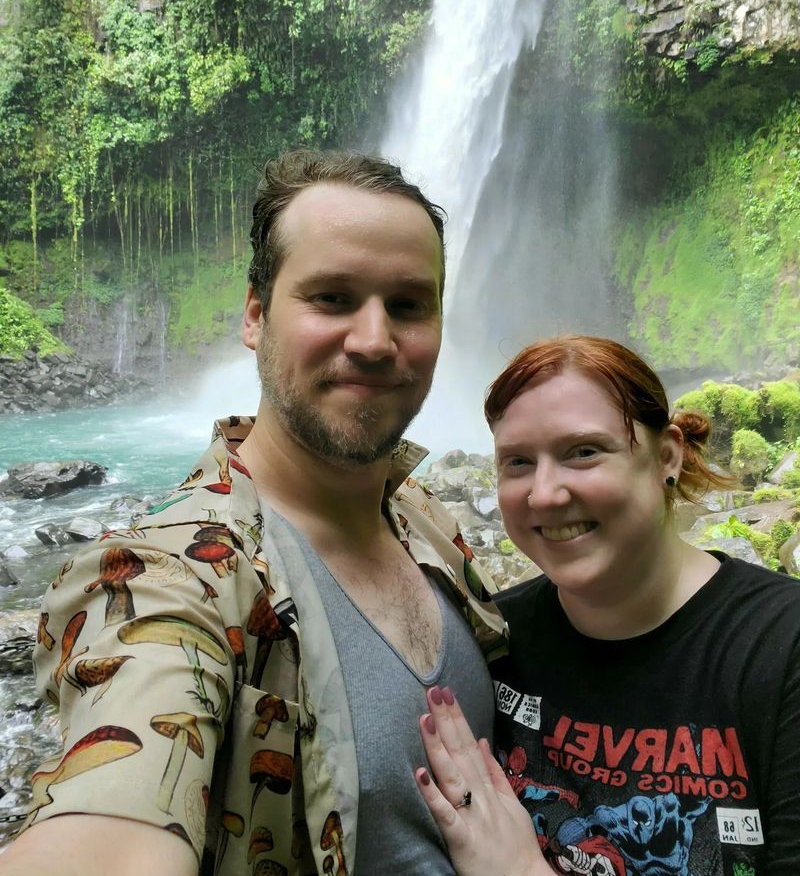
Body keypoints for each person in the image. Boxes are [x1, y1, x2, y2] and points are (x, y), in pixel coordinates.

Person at [1, 149, 507, 876]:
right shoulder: (169, 574)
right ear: (255, 315)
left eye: (407, 305)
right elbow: (118, 806)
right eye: (331, 298)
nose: (373, 340)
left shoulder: (421, 514)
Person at [415, 335, 800, 876]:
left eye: (584, 452)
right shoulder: (493, 635)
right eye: (518, 462)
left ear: (667, 455)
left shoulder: (780, 646)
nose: (544, 494)